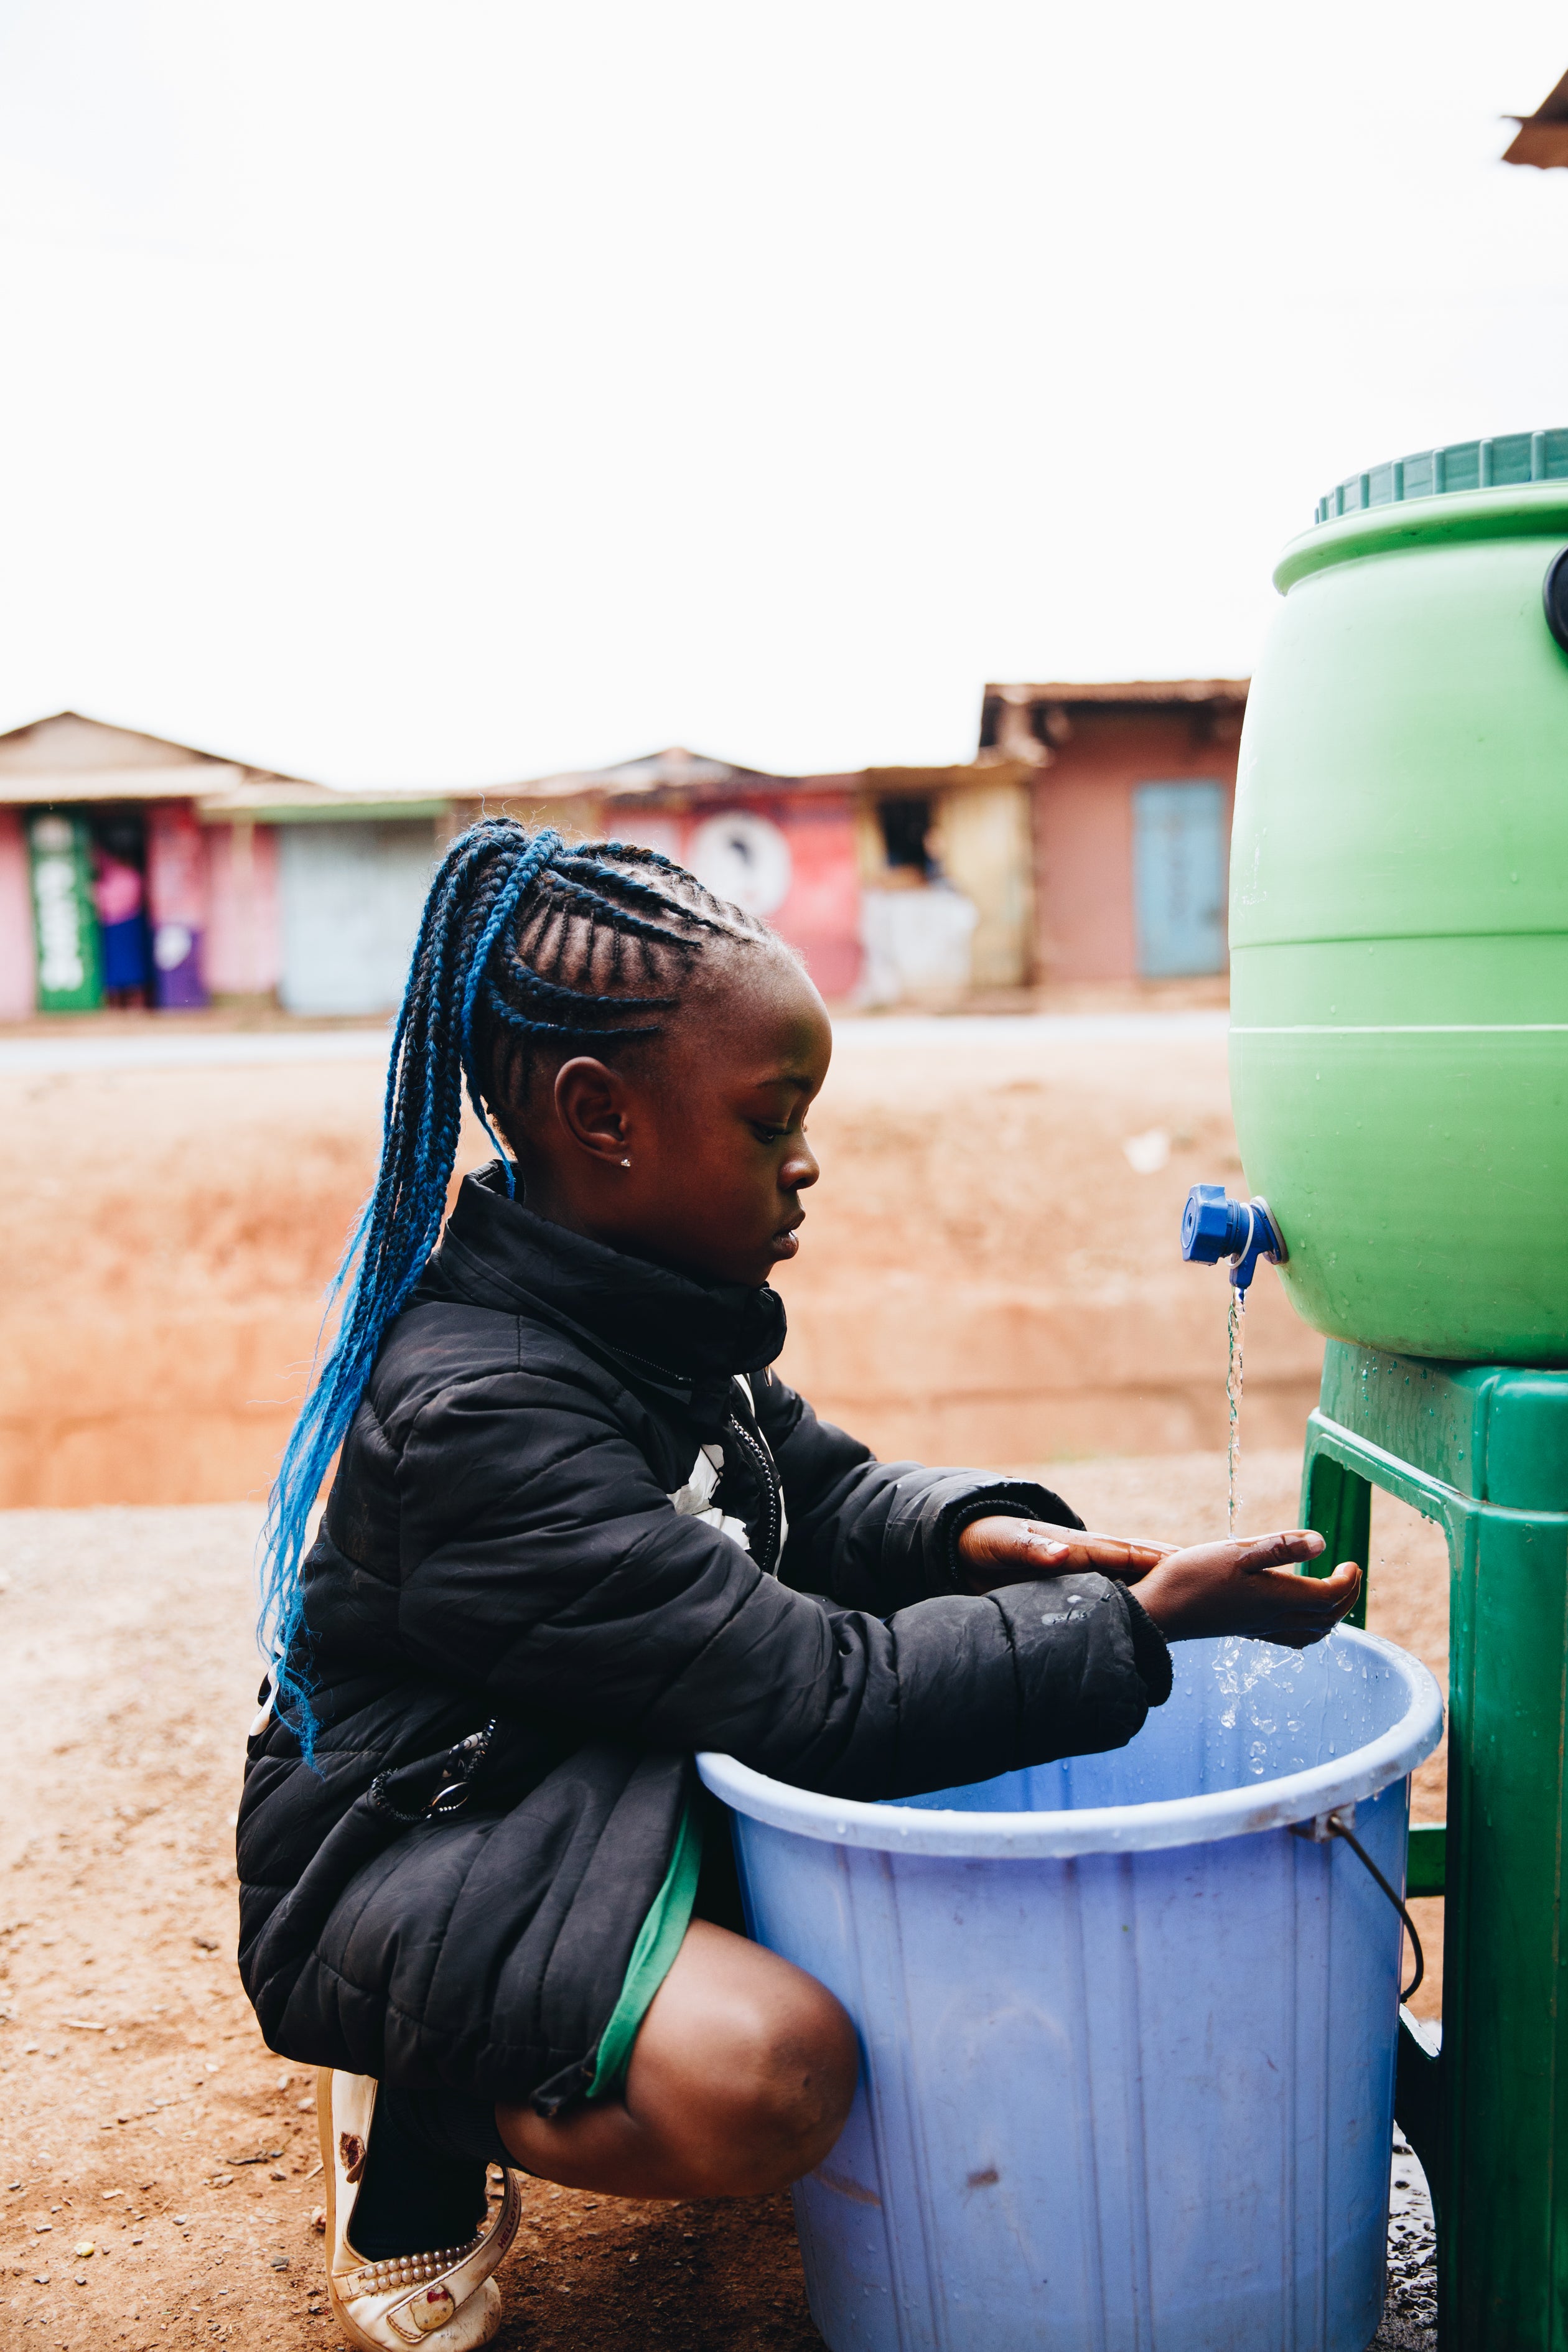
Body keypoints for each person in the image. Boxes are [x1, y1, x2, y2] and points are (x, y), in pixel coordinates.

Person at [236, 821, 1360, 2352]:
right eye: (774, 1121)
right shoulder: (480, 1414)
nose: (807, 1160)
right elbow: (815, 1696)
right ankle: (427, 2106)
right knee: (778, 2074)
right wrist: (1141, 1625)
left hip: (596, 1762)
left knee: (930, 1845)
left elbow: (813, 1490)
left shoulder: (655, 1307)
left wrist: (991, 1540)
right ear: (600, 1116)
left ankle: (549, 2025)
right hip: (423, 1843)